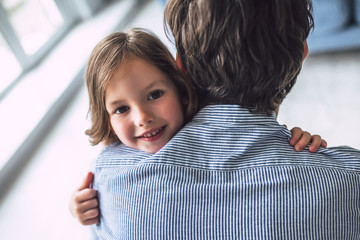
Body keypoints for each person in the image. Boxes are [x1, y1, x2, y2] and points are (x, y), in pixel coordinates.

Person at [69, 27, 325, 227]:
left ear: (180, 88)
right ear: (107, 119)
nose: (142, 118)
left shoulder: (211, 128)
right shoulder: (111, 160)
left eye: (155, 94)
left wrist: (294, 137)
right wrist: (77, 207)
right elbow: (89, 199)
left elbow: (254, 141)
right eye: (121, 109)